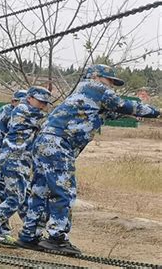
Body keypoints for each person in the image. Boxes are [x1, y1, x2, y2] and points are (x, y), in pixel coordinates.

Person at [17, 64, 160, 255]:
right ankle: (57, 238)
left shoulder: (85, 95)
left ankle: (30, 235)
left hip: (45, 142)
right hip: (58, 144)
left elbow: (116, 112)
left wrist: (142, 113)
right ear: (97, 77)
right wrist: (157, 112)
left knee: (40, 190)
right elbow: (125, 106)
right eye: (110, 82)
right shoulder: (94, 87)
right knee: (63, 191)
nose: (111, 87)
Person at [0, 86, 51, 245]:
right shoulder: (23, 109)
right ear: (29, 98)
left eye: (45, 103)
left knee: (19, 197)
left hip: (20, 160)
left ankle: (24, 229)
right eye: (40, 101)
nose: (42, 106)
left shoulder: (31, 111)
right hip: (13, 159)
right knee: (16, 198)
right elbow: (48, 120)